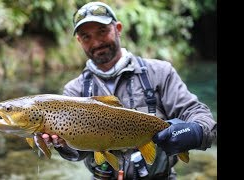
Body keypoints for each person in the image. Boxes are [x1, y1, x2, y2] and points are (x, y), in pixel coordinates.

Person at [34, 1, 217, 179]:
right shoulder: (74, 91)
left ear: (118, 29)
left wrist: (196, 132)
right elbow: (76, 154)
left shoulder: (160, 72)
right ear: (79, 40)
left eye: (102, 31)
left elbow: (197, 113)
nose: (96, 42)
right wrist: (61, 144)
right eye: (86, 36)